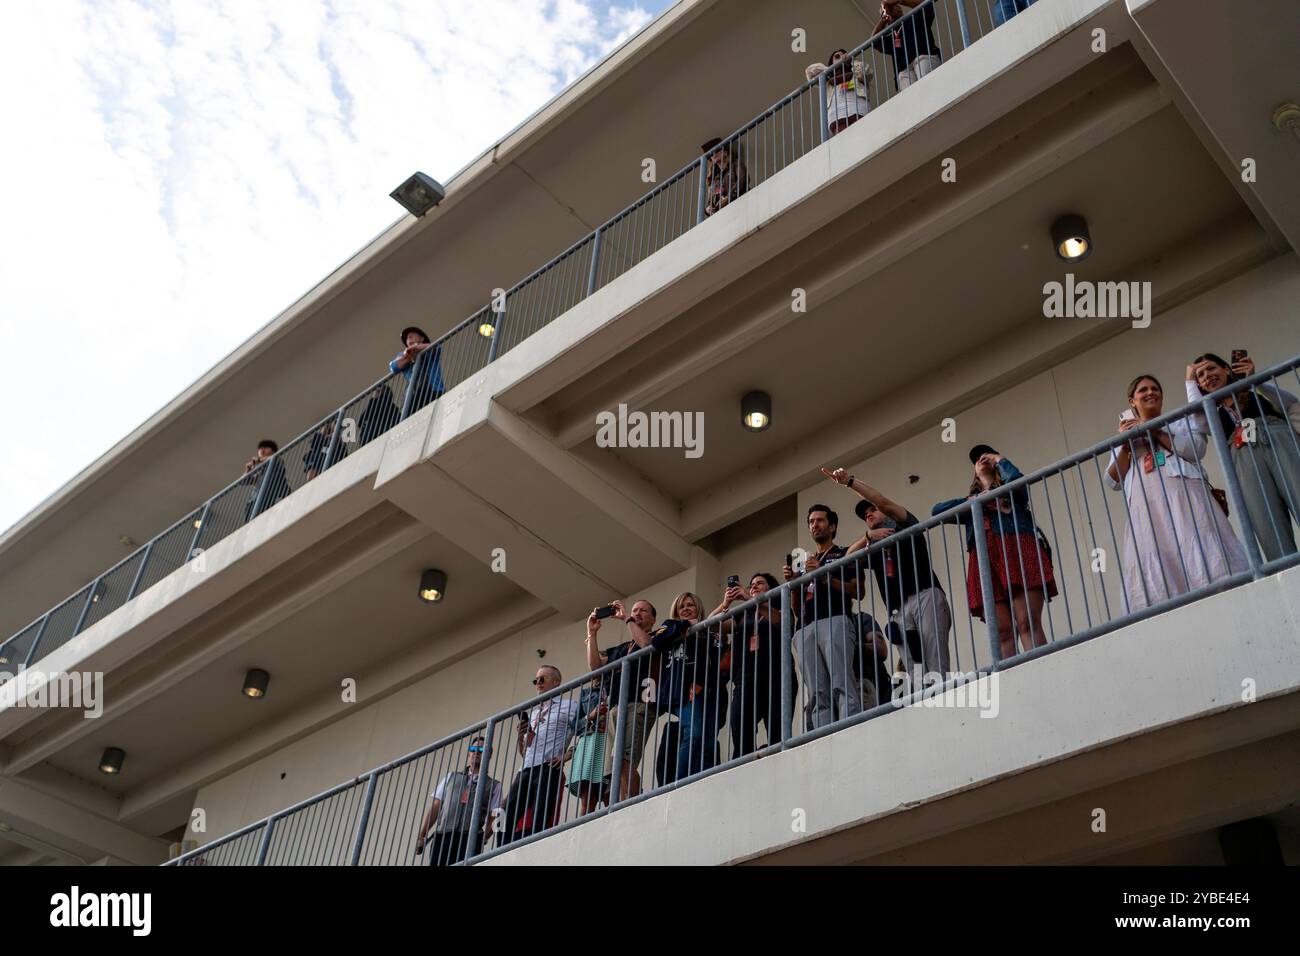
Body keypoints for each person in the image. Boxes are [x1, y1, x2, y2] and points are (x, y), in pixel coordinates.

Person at [1106, 374, 1250, 612]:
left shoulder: (1178, 421)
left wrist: (1154, 431)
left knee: (1198, 542)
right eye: (1143, 390)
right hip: (1147, 506)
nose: (1150, 392)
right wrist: (1124, 443)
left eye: (1155, 388)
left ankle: (1224, 603)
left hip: (1185, 497)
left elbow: (1196, 449)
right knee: (1158, 555)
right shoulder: (1124, 436)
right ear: (1132, 401)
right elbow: (1112, 481)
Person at [826, 466, 954, 682]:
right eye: (865, 515)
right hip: (898, 610)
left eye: (872, 510)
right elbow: (845, 561)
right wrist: (868, 536)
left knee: (935, 662)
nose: (869, 513)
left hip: (925, 595)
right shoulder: (873, 547)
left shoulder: (905, 524)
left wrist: (849, 482)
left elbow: (882, 501)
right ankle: (924, 706)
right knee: (914, 669)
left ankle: (941, 700)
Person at [933, 446, 1057, 661]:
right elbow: (937, 511)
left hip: (1017, 549)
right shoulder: (973, 503)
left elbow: (1019, 484)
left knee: (1027, 621)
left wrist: (1000, 460)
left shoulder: (1012, 491)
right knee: (1003, 632)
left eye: (987, 454)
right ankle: (1012, 682)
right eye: (977, 459)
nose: (982, 459)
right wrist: (975, 499)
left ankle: (1043, 668)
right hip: (985, 560)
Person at [1188, 354, 1300, 562]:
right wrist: (1189, 381)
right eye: (1200, 376)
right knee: (1265, 519)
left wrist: (1253, 380)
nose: (1207, 376)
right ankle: (1287, 570)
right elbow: (1197, 421)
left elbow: (1289, 402)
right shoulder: (1212, 412)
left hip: (1276, 438)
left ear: (1227, 370)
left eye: (1212, 369)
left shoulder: (1253, 389)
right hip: (1243, 457)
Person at [783, 504, 863, 730]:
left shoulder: (843, 553)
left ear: (833, 525)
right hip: (806, 626)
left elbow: (858, 591)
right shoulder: (804, 563)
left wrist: (824, 575)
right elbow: (797, 609)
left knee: (841, 681)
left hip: (835, 619)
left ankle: (851, 727)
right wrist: (794, 583)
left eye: (820, 520)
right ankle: (822, 734)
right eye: (811, 522)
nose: (815, 525)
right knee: (817, 690)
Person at [712, 573, 796, 757]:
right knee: (739, 723)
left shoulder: (780, 606)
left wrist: (750, 599)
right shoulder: (743, 615)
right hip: (747, 677)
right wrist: (725, 604)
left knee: (777, 729)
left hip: (777, 675)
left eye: (759, 583)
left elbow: (782, 622)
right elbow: (710, 624)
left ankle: (777, 762)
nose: (754, 586)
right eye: (751, 585)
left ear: (771, 588)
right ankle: (745, 762)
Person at [585, 599, 659, 800]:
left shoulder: (656, 634)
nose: (637, 613)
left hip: (640, 703)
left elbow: (645, 644)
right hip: (616, 706)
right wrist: (592, 633)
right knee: (614, 763)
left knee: (624, 759)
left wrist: (626, 618)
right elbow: (595, 667)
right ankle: (623, 802)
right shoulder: (622, 647)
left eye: (642, 611)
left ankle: (631, 802)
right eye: (634, 610)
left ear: (653, 619)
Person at [499, 665, 578, 846]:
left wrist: (567, 755)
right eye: (536, 680)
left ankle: (535, 851)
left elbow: (586, 729)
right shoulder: (534, 711)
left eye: (543, 679)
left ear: (556, 682)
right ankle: (501, 853)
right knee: (507, 814)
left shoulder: (569, 706)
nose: (538, 683)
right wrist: (521, 738)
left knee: (540, 816)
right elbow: (525, 750)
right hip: (526, 769)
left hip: (548, 767)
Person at [650, 592, 726, 780]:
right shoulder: (670, 625)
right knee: (693, 734)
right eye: (681, 606)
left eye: (690, 605)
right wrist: (685, 625)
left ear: (698, 608)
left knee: (708, 740)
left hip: (711, 690)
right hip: (683, 691)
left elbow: (719, 659)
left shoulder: (709, 630)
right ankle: (682, 781)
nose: (685, 609)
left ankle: (704, 779)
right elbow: (657, 641)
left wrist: (701, 681)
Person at [414, 733, 502, 866]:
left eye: (481, 750)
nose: (476, 753)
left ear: (489, 755)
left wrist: (482, 839)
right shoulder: (451, 777)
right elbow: (436, 807)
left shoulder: (494, 785)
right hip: (443, 836)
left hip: (469, 839)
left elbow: (494, 816)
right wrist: (422, 835)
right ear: (468, 754)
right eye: (473, 750)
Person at [868, 1, 942, 93]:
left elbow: (926, 4)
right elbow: (873, 41)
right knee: (912, 100)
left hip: (923, 57)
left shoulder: (913, 17)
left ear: (899, 8)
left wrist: (899, 0)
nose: (891, 9)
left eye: (894, 7)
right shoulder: (891, 36)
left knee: (931, 88)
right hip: (903, 70)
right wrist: (885, 17)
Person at [565, 678, 611, 816]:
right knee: (588, 799)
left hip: (608, 740)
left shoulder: (617, 686)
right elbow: (575, 727)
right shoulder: (586, 693)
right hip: (589, 742)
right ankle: (582, 829)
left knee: (610, 793)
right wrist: (590, 716)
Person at [805, 48, 872, 137]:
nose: (840, 57)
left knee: (861, 137)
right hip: (837, 116)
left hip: (857, 111)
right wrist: (830, 68)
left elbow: (866, 71)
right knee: (843, 142)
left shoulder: (856, 74)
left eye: (842, 55)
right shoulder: (827, 81)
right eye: (836, 57)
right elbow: (810, 72)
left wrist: (851, 61)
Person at [390, 326, 446, 414]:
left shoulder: (428, 348)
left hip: (434, 391)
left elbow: (436, 348)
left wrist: (416, 348)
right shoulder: (402, 355)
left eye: (412, 335)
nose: (408, 338)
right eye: (407, 338)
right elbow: (394, 367)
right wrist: (410, 356)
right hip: (413, 395)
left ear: (422, 338)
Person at [242, 440, 289, 521]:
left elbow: (273, 458)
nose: (262, 450)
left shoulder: (276, 459)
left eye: (266, 448)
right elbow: (244, 481)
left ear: (273, 451)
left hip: (268, 498)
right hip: (253, 501)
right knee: (250, 525)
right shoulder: (260, 469)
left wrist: (258, 460)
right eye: (260, 449)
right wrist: (247, 470)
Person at [701, 138, 749, 217]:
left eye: (717, 150)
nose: (714, 154)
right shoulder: (714, 179)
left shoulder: (736, 163)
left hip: (740, 203)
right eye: (711, 154)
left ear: (726, 152)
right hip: (723, 213)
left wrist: (727, 198)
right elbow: (710, 201)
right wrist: (708, 209)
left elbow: (743, 181)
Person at [303, 417, 347, 481]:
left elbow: (340, 441)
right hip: (320, 463)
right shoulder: (317, 446)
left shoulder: (339, 444)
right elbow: (317, 440)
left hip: (331, 466)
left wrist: (334, 428)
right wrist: (326, 426)